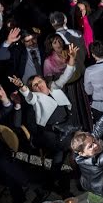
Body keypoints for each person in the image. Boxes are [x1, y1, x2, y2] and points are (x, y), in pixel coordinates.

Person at [10, 43, 79, 193]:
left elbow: (67, 74)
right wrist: (22, 86)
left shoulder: (54, 86)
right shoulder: (35, 98)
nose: (39, 86)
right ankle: (76, 178)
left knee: (61, 155)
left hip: (68, 125)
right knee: (72, 147)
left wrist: (72, 58)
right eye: (35, 85)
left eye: (39, 82)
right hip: (52, 133)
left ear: (44, 81)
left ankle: (54, 180)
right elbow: (27, 96)